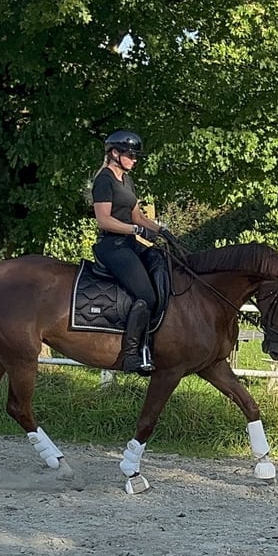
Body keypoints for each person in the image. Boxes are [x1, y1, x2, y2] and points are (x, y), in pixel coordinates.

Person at [90, 130, 175, 374]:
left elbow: (138, 216)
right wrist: (134, 229)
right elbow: (103, 220)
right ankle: (130, 355)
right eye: (130, 154)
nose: (134, 159)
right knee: (145, 295)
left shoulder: (127, 180)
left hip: (128, 243)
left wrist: (162, 231)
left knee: (162, 265)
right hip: (112, 246)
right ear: (114, 153)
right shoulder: (104, 180)